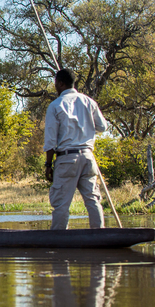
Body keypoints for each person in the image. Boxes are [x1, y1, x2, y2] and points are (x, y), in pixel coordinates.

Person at [44, 68, 107, 230]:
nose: (55, 86)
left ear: (61, 83)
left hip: (67, 159)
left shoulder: (56, 105)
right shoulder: (89, 102)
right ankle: (99, 235)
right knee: (93, 200)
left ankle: (57, 239)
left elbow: (50, 140)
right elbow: (102, 127)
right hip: (88, 157)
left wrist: (48, 165)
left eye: (56, 83)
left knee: (61, 204)